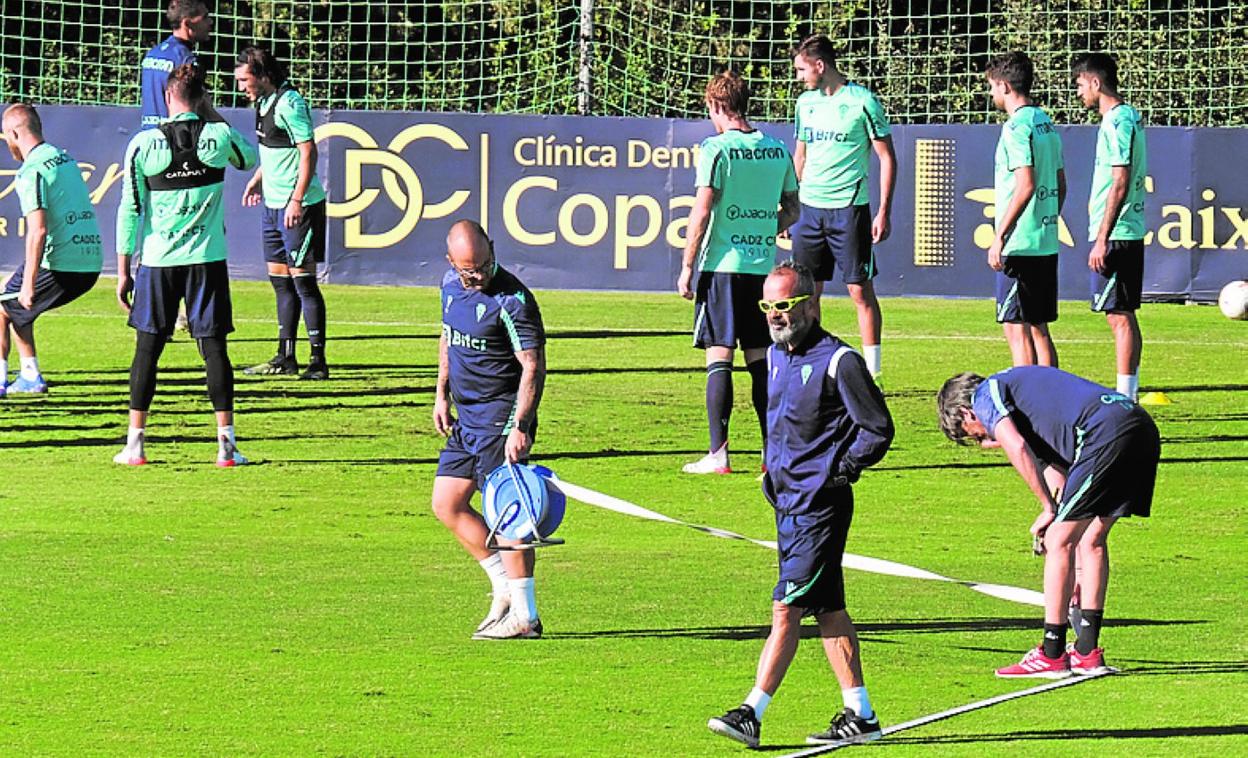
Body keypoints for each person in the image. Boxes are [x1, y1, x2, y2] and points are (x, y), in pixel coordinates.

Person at [708, 261, 893, 748]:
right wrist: (771, 468)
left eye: (784, 305)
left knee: (786, 608)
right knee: (829, 610)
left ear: (810, 303)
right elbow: (776, 421)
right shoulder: (773, 357)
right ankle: (862, 714)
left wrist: (838, 471)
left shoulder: (840, 361)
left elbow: (878, 429)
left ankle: (752, 710)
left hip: (821, 509)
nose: (775, 315)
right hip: (787, 506)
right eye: (768, 306)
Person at [937, 366, 1158, 678]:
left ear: (966, 412)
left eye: (969, 433)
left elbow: (1015, 446)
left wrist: (1047, 510)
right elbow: (1059, 478)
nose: (981, 441)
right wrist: (1055, 509)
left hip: (1106, 432)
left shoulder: (986, 395)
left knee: (1059, 541)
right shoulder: (1029, 412)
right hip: (1137, 425)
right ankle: (1086, 652)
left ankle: (1051, 653)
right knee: (1089, 539)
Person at [113, 63, 258, 466]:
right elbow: (248, 158)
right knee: (214, 350)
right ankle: (226, 446)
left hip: (158, 262)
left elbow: (130, 209)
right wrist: (210, 113)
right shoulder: (219, 135)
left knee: (147, 350)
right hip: (206, 261)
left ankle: (135, 445)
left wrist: (124, 269)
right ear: (202, 97)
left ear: (167, 98)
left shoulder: (144, 144)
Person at [677, 70, 800, 474]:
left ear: (716, 105)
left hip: (723, 266)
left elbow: (702, 209)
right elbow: (794, 209)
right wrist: (767, 223)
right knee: (761, 361)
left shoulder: (716, 149)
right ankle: (771, 455)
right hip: (762, 269)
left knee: (719, 357)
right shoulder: (776, 149)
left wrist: (687, 264)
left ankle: (719, 453)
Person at [433, 220, 548, 640]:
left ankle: (526, 616)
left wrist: (521, 425)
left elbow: (532, 366)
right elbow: (448, 338)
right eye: (469, 270)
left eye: (483, 265)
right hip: (466, 418)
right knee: (447, 503)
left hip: (500, 419)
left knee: (510, 515)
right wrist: (440, 393)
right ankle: (503, 587)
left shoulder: (514, 300)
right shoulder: (449, 286)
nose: (478, 275)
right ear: (452, 263)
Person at [789, 34, 896, 383]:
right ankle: (812, 364)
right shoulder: (805, 104)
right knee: (807, 292)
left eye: (801, 69)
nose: (798, 77)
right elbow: (800, 156)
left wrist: (883, 211)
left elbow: (886, 156)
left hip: (849, 211)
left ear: (820, 66)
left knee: (859, 291)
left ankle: (873, 372)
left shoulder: (863, 101)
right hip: (809, 211)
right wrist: (789, 207)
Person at [234, 47, 329, 380]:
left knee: (304, 282)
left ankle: (317, 362)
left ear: (263, 75)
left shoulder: (290, 103)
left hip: (297, 209)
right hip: (272, 207)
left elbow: (308, 152)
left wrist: (296, 200)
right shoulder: (262, 103)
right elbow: (274, 152)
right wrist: (257, 180)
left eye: (245, 80)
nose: (241, 87)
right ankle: (285, 357)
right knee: (280, 283)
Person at [0, 104, 102, 396]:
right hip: (90, 260)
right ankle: (29, 373)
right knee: (9, 300)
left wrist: (29, 284)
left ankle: (17, 378)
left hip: (62, 263)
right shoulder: (64, 158)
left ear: (15, 133)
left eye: (7, 137)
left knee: (7, 302)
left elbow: (38, 230)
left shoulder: (30, 171)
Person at [1074, 53, 1148, 401]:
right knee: (1120, 314)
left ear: (1095, 82)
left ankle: (1126, 395)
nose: (1078, 92)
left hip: (1118, 233)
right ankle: (1127, 390)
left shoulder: (1117, 121)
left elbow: (1120, 180)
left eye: (1079, 84)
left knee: (1119, 315)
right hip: (1123, 230)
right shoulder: (1125, 118)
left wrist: (1102, 238)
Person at [985, 52, 1066, 368]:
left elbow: (1025, 184)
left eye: (992, 87)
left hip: (1019, 245)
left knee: (1016, 328)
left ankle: (1027, 400)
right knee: (1039, 329)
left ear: (1004, 86)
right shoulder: (1045, 123)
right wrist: (1045, 220)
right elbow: (1061, 183)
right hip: (1043, 241)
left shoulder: (1016, 127)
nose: (992, 94)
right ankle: (1054, 403)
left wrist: (1000, 236)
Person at [139, 1, 214, 129]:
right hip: (175, 140)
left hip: (149, 138)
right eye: (205, 17)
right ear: (187, 23)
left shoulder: (152, 54)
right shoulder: (186, 60)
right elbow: (201, 107)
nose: (210, 22)